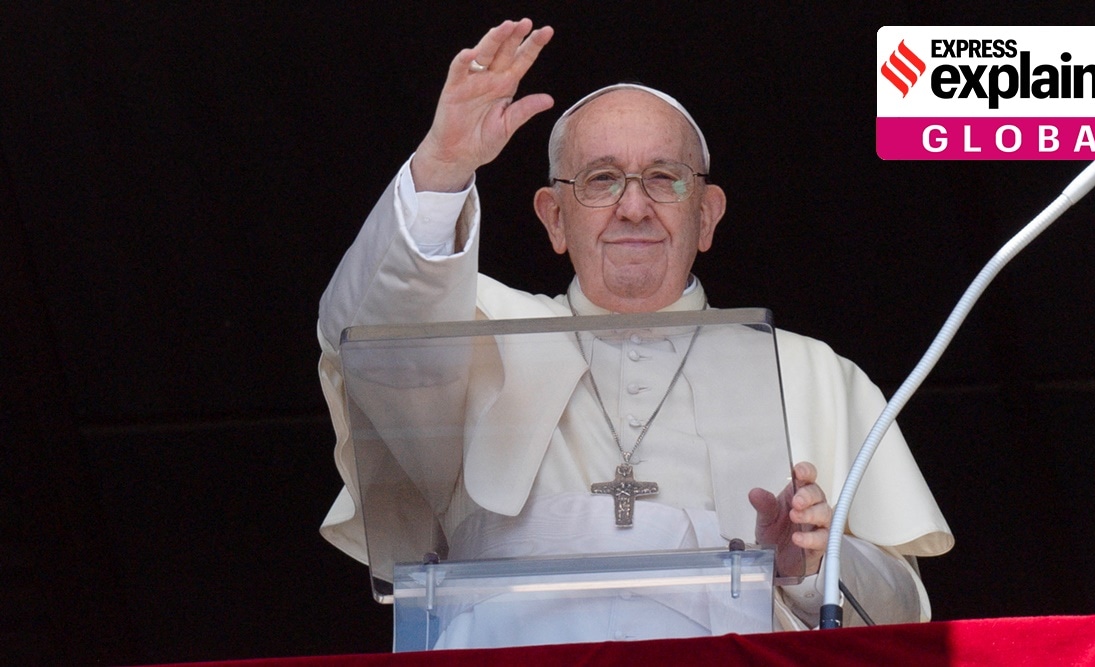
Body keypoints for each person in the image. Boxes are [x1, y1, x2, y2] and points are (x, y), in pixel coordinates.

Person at [317, 19, 953, 639]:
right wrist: (443, 165)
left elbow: (902, 616)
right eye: (599, 179)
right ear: (554, 219)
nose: (633, 205)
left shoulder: (813, 373)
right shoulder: (475, 337)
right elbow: (366, 347)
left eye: (663, 178)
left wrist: (805, 567)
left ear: (706, 216)